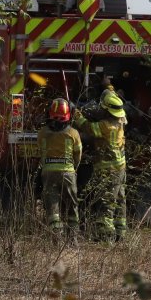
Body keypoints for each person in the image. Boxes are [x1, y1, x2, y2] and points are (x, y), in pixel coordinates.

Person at [76, 77, 127, 241]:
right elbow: (113, 99)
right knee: (120, 199)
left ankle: (105, 239)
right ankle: (121, 232)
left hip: (108, 169)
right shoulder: (121, 119)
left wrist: (76, 114)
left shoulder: (105, 126)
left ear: (106, 111)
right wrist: (108, 86)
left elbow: (87, 127)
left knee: (106, 203)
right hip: (121, 167)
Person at [38, 98, 82, 240]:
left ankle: (56, 239)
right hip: (68, 173)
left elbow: (40, 151)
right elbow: (78, 154)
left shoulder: (42, 132)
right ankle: (73, 239)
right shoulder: (73, 133)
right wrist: (73, 167)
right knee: (72, 206)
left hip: (48, 173)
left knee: (52, 207)